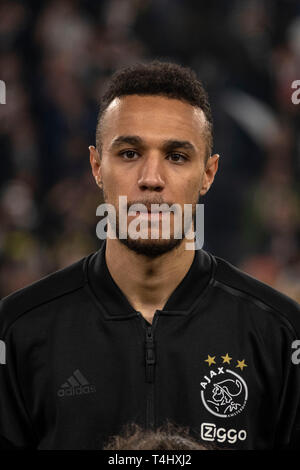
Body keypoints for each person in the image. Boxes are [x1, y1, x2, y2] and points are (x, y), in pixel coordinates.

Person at [0, 61, 299, 450]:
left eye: (176, 156)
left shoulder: (280, 335)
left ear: (208, 173)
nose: (152, 178)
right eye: (128, 153)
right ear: (96, 166)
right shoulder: (17, 333)